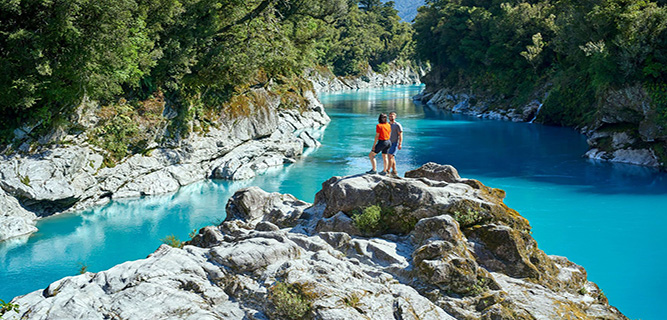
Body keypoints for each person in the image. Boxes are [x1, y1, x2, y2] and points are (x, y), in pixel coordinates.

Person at [387, 111, 403, 177]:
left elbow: (400, 135)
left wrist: (400, 144)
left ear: (395, 117)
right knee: (391, 157)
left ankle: (387, 171)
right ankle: (394, 171)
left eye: (392, 116)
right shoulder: (387, 124)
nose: (391, 117)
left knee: (390, 156)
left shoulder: (397, 125)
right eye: (390, 116)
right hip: (388, 143)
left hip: (395, 143)